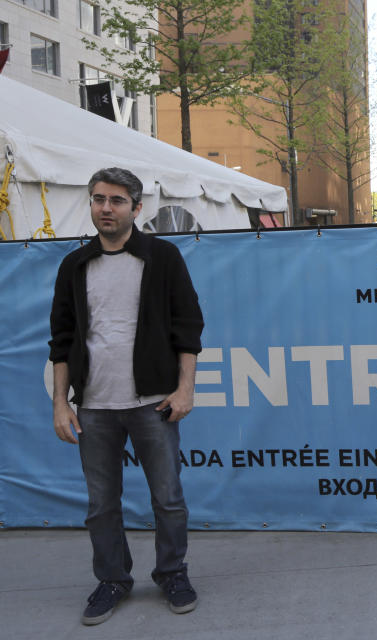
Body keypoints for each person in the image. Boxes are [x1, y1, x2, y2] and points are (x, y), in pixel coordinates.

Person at [49, 167, 204, 624]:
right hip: (94, 406)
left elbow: (188, 327)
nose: (105, 208)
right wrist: (61, 402)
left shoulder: (162, 257)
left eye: (116, 200)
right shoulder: (74, 265)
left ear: (137, 208)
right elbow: (60, 339)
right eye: (98, 199)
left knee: (168, 498)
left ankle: (173, 572)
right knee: (101, 505)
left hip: (154, 402)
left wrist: (185, 388)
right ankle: (112, 579)